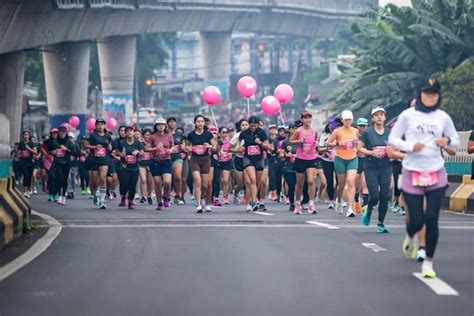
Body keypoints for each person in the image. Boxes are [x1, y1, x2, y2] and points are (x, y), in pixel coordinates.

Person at [389, 78, 459, 278]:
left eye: (434, 94)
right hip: (412, 171)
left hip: (436, 172)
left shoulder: (443, 117)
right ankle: (410, 235)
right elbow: (393, 139)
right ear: (419, 94)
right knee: (417, 219)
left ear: (438, 96)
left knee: (432, 219)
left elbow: (454, 142)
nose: (430, 97)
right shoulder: (408, 115)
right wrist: (411, 147)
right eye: (426, 93)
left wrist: (446, 141)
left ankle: (428, 262)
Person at [358, 107, 392, 233]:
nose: (379, 117)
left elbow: (394, 148)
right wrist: (371, 153)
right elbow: (359, 148)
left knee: (385, 196)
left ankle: (380, 223)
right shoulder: (368, 132)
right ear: (372, 118)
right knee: (375, 196)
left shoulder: (389, 133)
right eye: (376, 115)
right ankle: (368, 210)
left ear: (385, 117)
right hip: (371, 167)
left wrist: (390, 152)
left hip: (385, 167)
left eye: (381, 114)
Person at [327, 110, 359, 217]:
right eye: (346, 119)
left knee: (350, 182)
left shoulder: (355, 131)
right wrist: (338, 143)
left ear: (352, 120)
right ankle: (339, 201)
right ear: (342, 120)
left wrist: (356, 144)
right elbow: (328, 144)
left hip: (353, 158)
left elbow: (360, 144)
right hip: (340, 159)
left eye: (349, 119)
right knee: (341, 184)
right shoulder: (337, 131)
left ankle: (351, 208)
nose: (348, 121)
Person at [236, 116, 270, 212]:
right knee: (252, 180)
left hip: (259, 159)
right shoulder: (245, 132)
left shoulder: (261, 132)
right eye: (251, 125)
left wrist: (261, 143)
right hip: (248, 158)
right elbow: (239, 139)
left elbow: (267, 145)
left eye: (255, 126)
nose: (253, 127)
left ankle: (252, 199)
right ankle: (254, 202)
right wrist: (239, 147)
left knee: (258, 183)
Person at [289, 111, 318, 214]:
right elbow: (290, 141)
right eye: (305, 118)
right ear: (302, 120)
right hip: (300, 159)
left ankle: (311, 204)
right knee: (300, 183)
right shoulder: (298, 131)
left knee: (310, 181)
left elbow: (315, 142)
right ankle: (297, 203)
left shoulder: (314, 131)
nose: (308, 120)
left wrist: (316, 144)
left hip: (311, 158)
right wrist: (299, 141)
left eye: (309, 118)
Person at [186, 115, 216, 212]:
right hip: (194, 159)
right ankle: (198, 204)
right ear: (195, 123)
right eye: (198, 121)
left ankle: (203, 199)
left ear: (204, 123)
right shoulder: (191, 135)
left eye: (202, 121)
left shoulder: (208, 134)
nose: (200, 123)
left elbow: (215, 147)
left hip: (205, 159)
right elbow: (185, 147)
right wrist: (189, 149)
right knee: (197, 182)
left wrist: (210, 146)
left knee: (205, 184)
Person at [147, 118, 174, 211]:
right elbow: (146, 149)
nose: (161, 126)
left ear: (165, 126)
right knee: (158, 183)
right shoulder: (152, 136)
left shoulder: (169, 136)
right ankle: (159, 202)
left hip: (166, 160)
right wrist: (155, 149)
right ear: (156, 126)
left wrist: (171, 150)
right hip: (155, 162)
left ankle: (165, 196)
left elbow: (173, 147)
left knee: (167, 182)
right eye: (159, 125)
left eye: (162, 125)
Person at [86, 119, 113, 209]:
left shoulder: (108, 136)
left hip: (104, 160)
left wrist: (109, 147)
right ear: (96, 126)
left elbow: (110, 146)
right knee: (94, 182)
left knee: (102, 178)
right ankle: (95, 194)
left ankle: (102, 200)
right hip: (94, 160)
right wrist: (94, 147)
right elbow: (85, 145)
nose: (100, 126)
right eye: (98, 124)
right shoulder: (92, 136)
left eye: (102, 124)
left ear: (105, 126)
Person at [116, 126, 144, 209]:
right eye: (127, 131)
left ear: (133, 132)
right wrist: (121, 154)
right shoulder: (122, 142)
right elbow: (117, 151)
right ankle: (123, 196)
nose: (129, 132)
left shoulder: (137, 142)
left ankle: (130, 201)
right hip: (124, 167)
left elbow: (143, 153)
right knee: (124, 183)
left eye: (130, 131)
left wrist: (138, 152)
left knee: (132, 185)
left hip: (134, 167)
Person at [319, 118, 341, 209]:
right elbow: (319, 149)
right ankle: (331, 200)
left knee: (340, 180)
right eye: (332, 128)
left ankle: (338, 199)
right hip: (326, 160)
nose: (333, 129)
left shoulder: (341, 134)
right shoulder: (324, 136)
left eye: (335, 128)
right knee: (329, 181)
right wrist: (327, 149)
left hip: (339, 159)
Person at [52, 126, 76, 205]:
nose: (62, 134)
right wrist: (53, 152)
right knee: (60, 178)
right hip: (58, 162)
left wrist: (66, 149)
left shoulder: (69, 142)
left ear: (66, 133)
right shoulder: (55, 141)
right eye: (60, 132)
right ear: (58, 133)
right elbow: (50, 150)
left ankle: (63, 196)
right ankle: (59, 195)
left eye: (63, 132)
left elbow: (73, 152)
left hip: (66, 162)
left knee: (65, 180)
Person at [278, 122, 298, 212]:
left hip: (299, 166)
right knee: (291, 186)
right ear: (289, 130)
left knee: (300, 185)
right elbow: (281, 154)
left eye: (295, 128)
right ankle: (292, 202)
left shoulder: (301, 141)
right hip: (288, 166)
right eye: (292, 128)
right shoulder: (285, 142)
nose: (294, 130)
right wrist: (286, 154)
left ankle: (299, 202)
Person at [167, 117, 186, 205]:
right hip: (166, 158)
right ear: (167, 124)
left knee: (178, 177)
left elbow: (183, 145)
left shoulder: (179, 134)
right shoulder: (164, 134)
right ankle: (167, 197)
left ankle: (178, 196)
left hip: (177, 157)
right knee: (167, 180)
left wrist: (183, 148)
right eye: (170, 122)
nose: (172, 123)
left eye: (174, 122)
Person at [230, 119, 249, 206]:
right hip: (238, 160)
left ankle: (249, 203)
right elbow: (229, 149)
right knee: (240, 184)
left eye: (246, 124)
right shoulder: (237, 136)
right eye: (243, 125)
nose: (245, 126)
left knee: (248, 182)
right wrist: (237, 150)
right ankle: (236, 193)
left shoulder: (251, 135)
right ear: (240, 127)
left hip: (248, 160)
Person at [355, 118, 369, 212]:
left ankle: (365, 205)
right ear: (357, 126)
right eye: (361, 126)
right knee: (357, 186)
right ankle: (356, 201)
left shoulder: (370, 135)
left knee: (364, 183)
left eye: (364, 126)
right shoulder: (354, 135)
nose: (362, 128)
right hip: (356, 160)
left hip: (366, 160)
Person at [216, 127, 233, 205]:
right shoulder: (217, 141)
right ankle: (215, 196)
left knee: (225, 180)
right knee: (217, 181)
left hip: (227, 162)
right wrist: (219, 152)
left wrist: (230, 153)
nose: (225, 134)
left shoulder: (230, 142)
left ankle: (225, 196)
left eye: (226, 132)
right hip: (218, 162)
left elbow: (233, 149)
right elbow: (215, 150)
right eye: (223, 132)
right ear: (219, 133)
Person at [17, 130, 37, 197]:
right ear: (23, 136)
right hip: (23, 162)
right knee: (25, 175)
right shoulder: (20, 144)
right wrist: (19, 154)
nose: (26, 136)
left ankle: (28, 190)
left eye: (27, 135)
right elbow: (18, 152)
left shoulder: (31, 143)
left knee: (29, 177)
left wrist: (29, 149)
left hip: (30, 162)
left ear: (29, 136)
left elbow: (35, 152)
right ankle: (25, 191)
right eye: (24, 135)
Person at [138, 129, 154, 205]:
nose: (148, 136)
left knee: (150, 182)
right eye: (146, 135)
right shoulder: (140, 143)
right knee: (143, 180)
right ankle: (143, 196)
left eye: (149, 135)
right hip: (142, 164)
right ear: (143, 136)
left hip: (151, 164)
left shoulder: (153, 143)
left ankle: (149, 195)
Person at [67, 132, 81, 199]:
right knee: (68, 177)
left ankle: (72, 191)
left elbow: (78, 154)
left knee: (72, 179)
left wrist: (75, 156)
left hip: (75, 164)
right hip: (67, 164)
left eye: (71, 138)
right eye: (69, 137)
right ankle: (69, 191)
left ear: (74, 139)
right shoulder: (65, 145)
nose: (70, 139)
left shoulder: (76, 145)